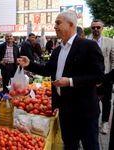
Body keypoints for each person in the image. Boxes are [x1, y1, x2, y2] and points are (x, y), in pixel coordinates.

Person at [18, 11, 104, 150]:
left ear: (71, 25)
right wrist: (29, 64)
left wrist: (70, 81)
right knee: (69, 144)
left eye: (58, 23)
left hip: (84, 109)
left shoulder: (88, 46)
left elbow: (98, 76)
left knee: (90, 145)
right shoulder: (58, 50)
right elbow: (48, 70)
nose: (55, 26)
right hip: (65, 109)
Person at [88, 19, 114, 134]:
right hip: (90, 79)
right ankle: (92, 124)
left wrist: (109, 76)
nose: (95, 30)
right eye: (93, 27)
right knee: (91, 102)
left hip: (106, 77)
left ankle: (104, 123)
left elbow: (113, 60)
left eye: (98, 27)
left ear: (102, 28)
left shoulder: (110, 42)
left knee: (106, 102)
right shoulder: (86, 41)